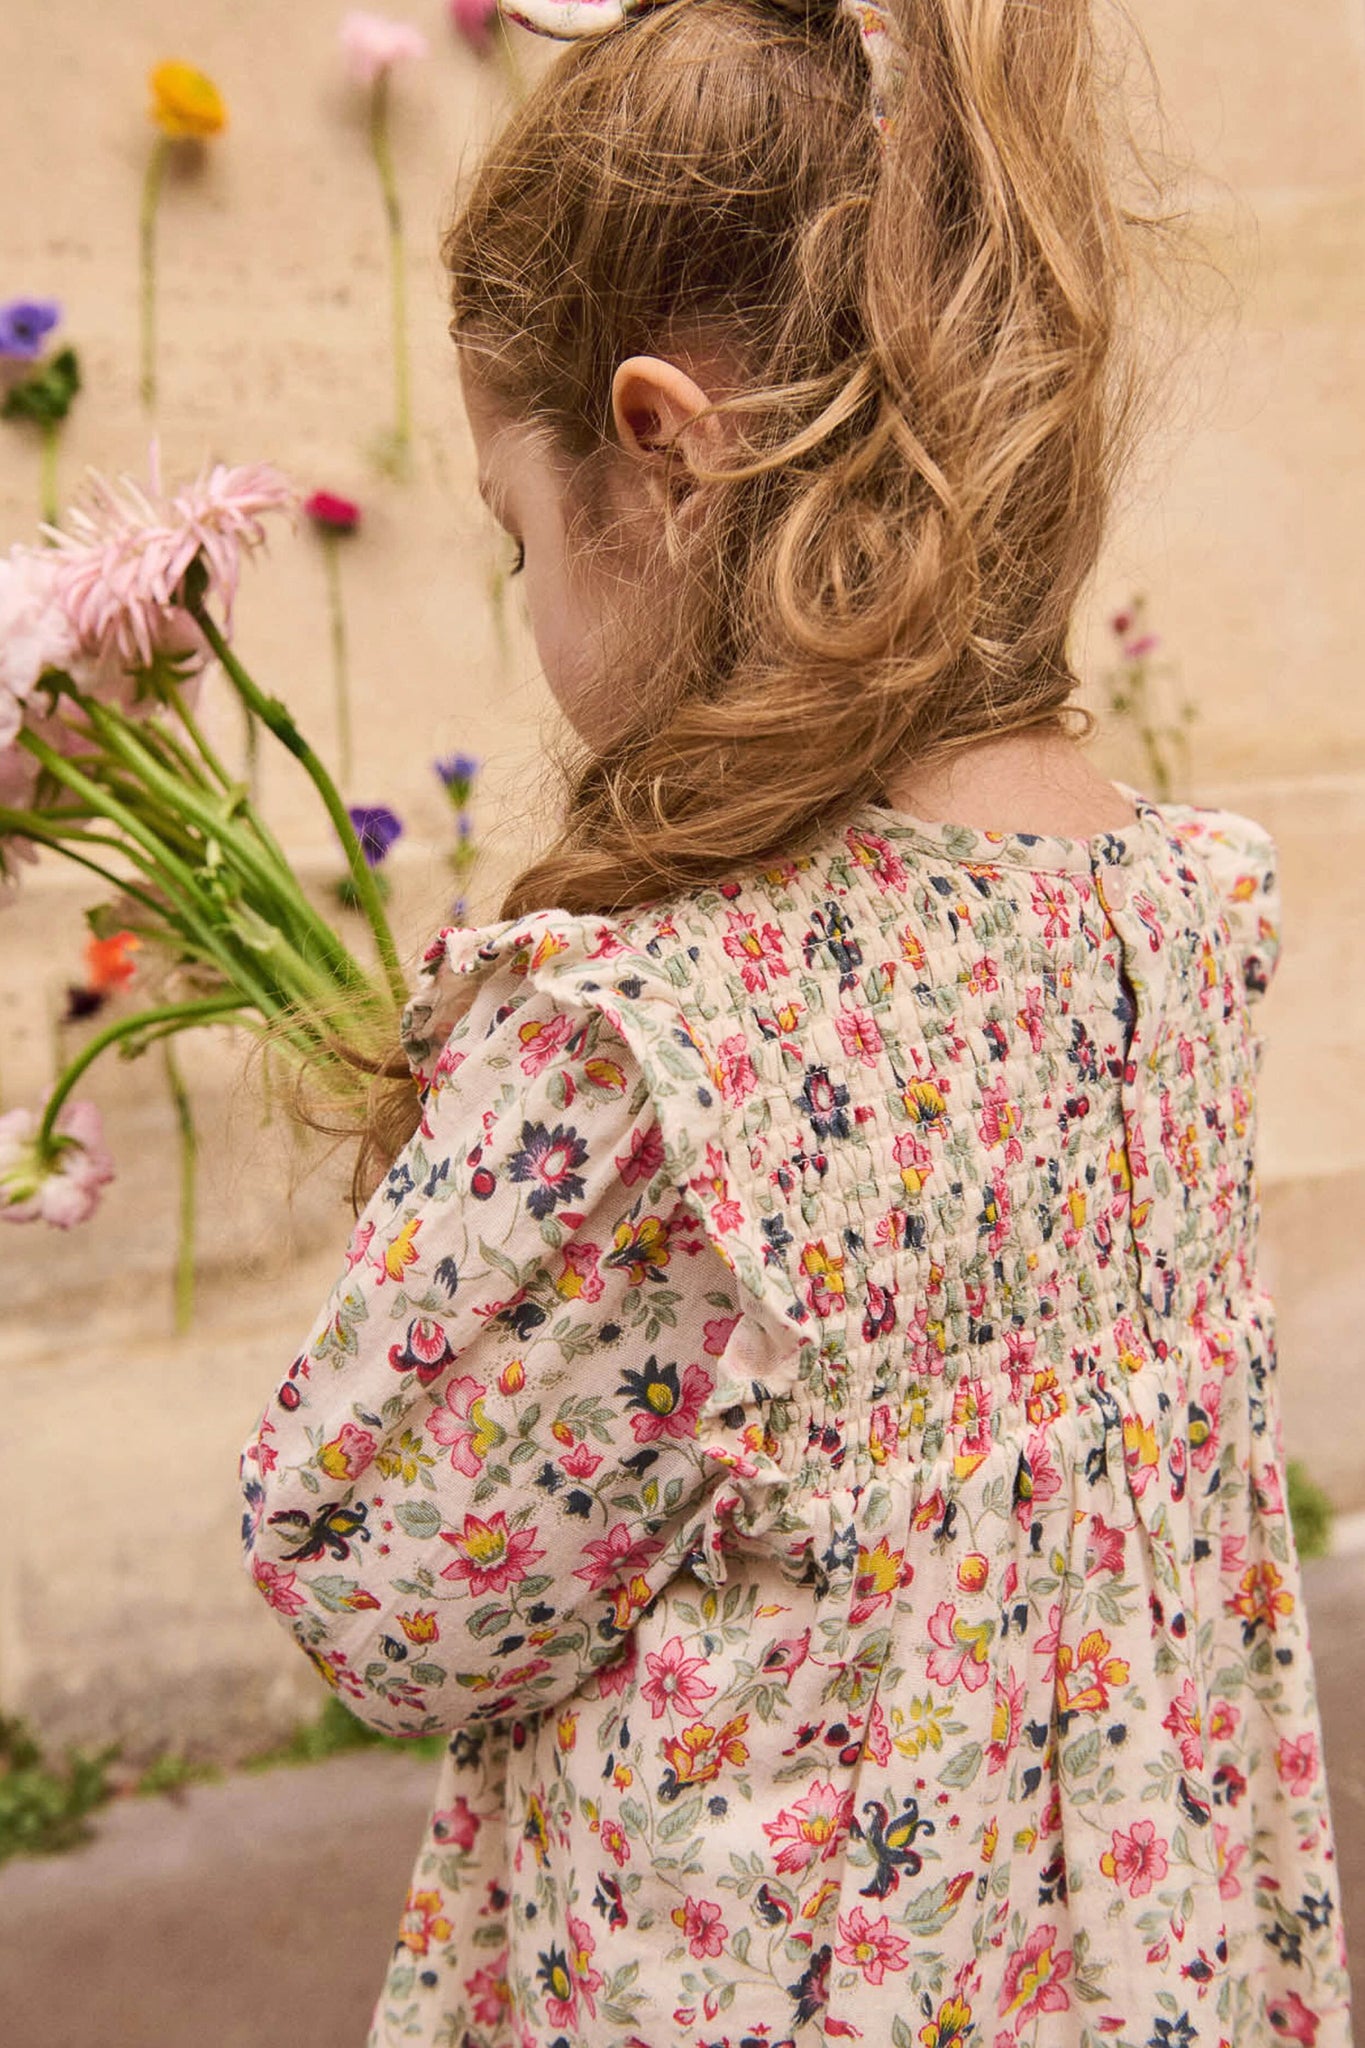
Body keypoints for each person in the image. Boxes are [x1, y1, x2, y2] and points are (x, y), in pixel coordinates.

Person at [240, 0, 1351, 2040]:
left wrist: (441, 1167)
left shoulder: (643, 1052)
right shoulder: (1186, 916)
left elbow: (378, 1584)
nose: (526, 597)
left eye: (514, 528)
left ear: (655, 458)